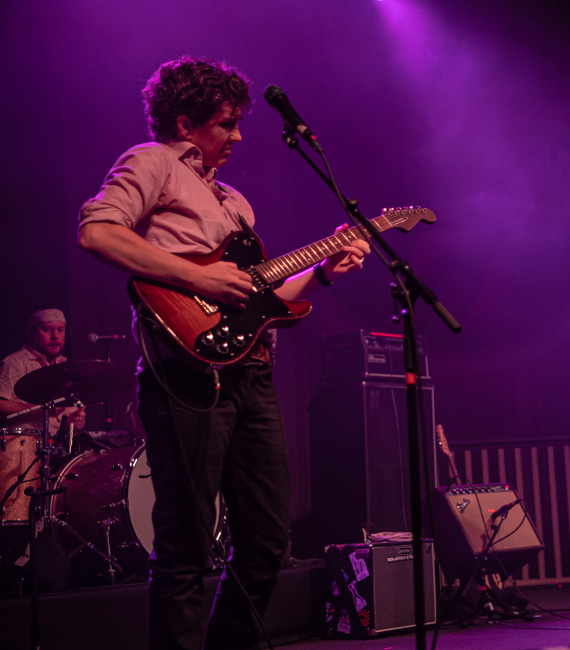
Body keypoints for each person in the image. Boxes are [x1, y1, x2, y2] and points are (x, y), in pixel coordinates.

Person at [77, 57, 370, 649]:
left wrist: (325, 271)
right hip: (185, 377)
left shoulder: (235, 202)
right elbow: (98, 232)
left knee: (266, 542)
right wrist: (200, 279)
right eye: (227, 123)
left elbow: (269, 299)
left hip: (252, 375)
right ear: (186, 124)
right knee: (184, 545)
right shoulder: (151, 161)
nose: (238, 136)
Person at [0, 308, 86, 434]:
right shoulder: (14, 363)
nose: (55, 336)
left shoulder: (67, 367)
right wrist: (35, 409)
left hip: (58, 445)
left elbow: (67, 422)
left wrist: (74, 423)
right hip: (22, 445)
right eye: (46, 329)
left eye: (60, 330)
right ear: (30, 332)